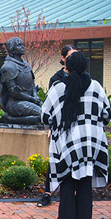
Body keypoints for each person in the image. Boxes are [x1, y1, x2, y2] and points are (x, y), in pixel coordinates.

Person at [41, 51, 111, 219]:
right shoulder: (96, 86)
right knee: (85, 184)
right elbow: (106, 114)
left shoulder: (58, 88)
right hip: (91, 142)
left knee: (67, 182)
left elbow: (45, 116)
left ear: (67, 67)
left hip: (68, 141)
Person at [37, 45, 77, 207]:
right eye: (70, 55)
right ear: (63, 59)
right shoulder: (57, 79)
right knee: (56, 159)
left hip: (78, 127)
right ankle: (47, 193)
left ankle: (76, 196)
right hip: (61, 127)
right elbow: (50, 107)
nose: (73, 58)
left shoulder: (84, 77)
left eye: (76, 55)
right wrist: (51, 127)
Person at [0, 37, 42, 125]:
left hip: (29, 100)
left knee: (48, 113)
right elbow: (13, 92)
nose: (22, 47)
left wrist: (35, 95)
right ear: (12, 49)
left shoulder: (26, 65)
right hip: (15, 103)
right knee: (42, 115)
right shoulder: (8, 67)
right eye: (19, 45)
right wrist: (32, 99)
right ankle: (9, 118)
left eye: (22, 44)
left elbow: (32, 84)